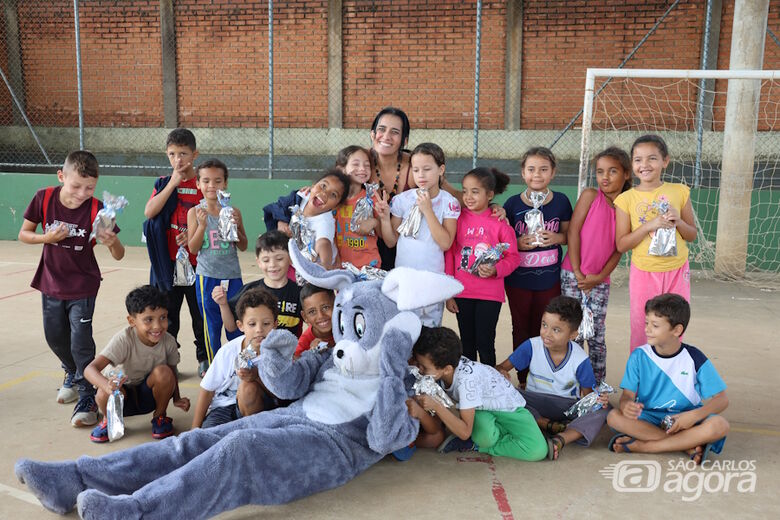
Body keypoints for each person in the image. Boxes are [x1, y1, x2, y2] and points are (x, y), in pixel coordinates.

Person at [18, 150, 125, 427]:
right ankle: (71, 372)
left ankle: (87, 396)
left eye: (89, 187)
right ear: (61, 176)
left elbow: (119, 254)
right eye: (76, 185)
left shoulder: (98, 210)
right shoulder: (44, 198)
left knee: (80, 341)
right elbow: (24, 234)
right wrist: (47, 237)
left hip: (83, 285)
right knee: (54, 337)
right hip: (50, 282)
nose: (82, 193)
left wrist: (110, 241)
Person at [606, 294, 729, 464]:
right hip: (649, 419)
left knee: (720, 425)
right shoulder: (639, 356)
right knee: (613, 417)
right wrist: (627, 405)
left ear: (677, 330)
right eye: (646, 323)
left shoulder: (694, 357)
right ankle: (686, 445)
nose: (647, 329)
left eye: (655, 325)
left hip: (686, 419)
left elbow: (722, 400)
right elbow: (627, 395)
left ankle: (644, 446)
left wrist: (693, 416)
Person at [496, 296, 608, 460]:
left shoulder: (580, 358)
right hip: (532, 401)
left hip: (566, 407)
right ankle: (545, 424)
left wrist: (598, 400)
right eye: (544, 325)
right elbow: (501, 367)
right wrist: (501, 373)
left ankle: (561, 438)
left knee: (604, 409)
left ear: (573, 334)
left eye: (556, 330)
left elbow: (588, 395)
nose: (547, 333)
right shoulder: (532, 346)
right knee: (501, 392)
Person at [413, 327, 547, 461]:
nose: (419, 369)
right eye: (418, 364)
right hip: (481, 410)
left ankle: (476, 445)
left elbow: (465, 432)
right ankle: (486, 439)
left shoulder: (466, 383)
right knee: (485, 437)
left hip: (510, 408)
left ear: (447, 369)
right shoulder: (445, 364)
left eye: (424, 367)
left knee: (538, 450)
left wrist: (436, 406)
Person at [615, 135, 698, 351]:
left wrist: (678, 221)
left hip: (677, 271)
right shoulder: (626, 199)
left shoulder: (679, 191)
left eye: (652, 158)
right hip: (644, 272)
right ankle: (640, 378)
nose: (644, 165)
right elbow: (622, 245)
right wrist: (648, 226)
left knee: (675, 326)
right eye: (638, 159)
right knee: (643, 328)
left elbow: (691, 234)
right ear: (632, 164)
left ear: (665, 161)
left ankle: (670, 373)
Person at [560, 147, 632, 383]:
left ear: (627, 174)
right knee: (574, 334)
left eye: (612, 171)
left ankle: (597, 388)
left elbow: (619, 249)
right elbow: (574, 232)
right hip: (572, 275)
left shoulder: (627, 207)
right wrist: (579, 271)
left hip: (600, 281)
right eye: (600, 171)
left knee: (596, 337)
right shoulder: (591, 195)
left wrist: (599, 277)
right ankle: (571, 386)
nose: (605, 177)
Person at [84, 286, 189, 442]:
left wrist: (177, 398)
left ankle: (160, 417)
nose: (157, 326)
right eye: (149, 319)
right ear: (132, 321)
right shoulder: (124, 339)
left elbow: (172, 372)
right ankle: (109, 420)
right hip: (120, 398)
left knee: (164, 372)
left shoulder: (168, 341)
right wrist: (108, 386)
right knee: (103, 390)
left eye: (163, 317)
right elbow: (89, 369)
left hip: (148, 397)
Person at [504, 146, 572, 385]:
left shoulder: (561, 201)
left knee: (547, 327)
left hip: (549, 280)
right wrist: (517, 242)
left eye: (544, 169)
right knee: (521, 327)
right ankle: (523, 378)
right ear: (523, 173)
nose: (537, 175)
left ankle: (544, 377)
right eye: (531, 169)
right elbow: (503, 240)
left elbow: (568, 235)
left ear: (553, 173)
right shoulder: (512, 204)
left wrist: (557, 238)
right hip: (518, 280)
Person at [143, 128, 208, 377]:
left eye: (183, 153)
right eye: (172, 154)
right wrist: (172, 183)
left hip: (197, 262)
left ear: (195, 154)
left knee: (199, 314)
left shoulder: (203, 183)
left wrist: (192, 235)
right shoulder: (163, 183)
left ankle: (204, 358)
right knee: (167, 316)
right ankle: (171, 360)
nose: (178, 160)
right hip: (168, 264)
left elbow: (212, 219)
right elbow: (150, 212)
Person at [376, 142, 460, 327]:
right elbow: (391, 242)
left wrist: (428, 211)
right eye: (416, 170)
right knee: (405, 330)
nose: (421, 175)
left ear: (441, 170)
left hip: (432, 280)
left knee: (429, 334)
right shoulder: (402, 200)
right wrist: (383, 219)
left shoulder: (449, 202)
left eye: (427, 169)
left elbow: (445, 243)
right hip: (405, 279)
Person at [445, 167, 521, 367]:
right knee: (467, 344)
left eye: (475, 191)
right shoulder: (457, 219)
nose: (468, 197)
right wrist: (449, 291)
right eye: (465, 191)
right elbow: (451, 254)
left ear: (490, 195)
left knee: (485, 343)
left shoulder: (500, 223)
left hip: (489, 295)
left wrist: (497, 269)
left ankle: (489, 386)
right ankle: (470, 387)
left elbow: (513, 257)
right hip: (462, 292)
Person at [192, 288, 285, 429]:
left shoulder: (279, 352)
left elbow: (282, 395)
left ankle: (250, 435)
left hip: (259, 407)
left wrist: (256, 376)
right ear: (240, 326)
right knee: (205, 440)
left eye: (266, 324)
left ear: (275, 324)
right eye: (252, 324)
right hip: (223, 407)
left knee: (248, 389)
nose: (259, 330)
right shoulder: (229, 351)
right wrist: (194, 428)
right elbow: (207, 389)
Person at [187, 159, 248, 365]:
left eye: (217, 181)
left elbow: (243, 245)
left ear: (225, 183)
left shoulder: (234, 212)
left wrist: (237, 227)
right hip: (208, 277)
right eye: (206, 181)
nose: (212, 186)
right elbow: (193, 249)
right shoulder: (195, 213)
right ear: (198, 184)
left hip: (233, 277)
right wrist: (202, 226)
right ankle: (214, 369)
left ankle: (237, 366)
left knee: (237, 323)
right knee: (211, 327)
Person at [216, 231, 302, 338]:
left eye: (279, 259)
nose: (272, 265)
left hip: (289, 352)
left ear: (290, 258)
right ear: (258, 262)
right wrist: (223, 304)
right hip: (257, 353)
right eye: (266, 260)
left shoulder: (299, 293)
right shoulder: (249, 291)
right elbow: (231, 327)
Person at [262, 169, 351, 269]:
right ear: (313, 186)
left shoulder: (325, 221)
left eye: (333, 195)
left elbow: (323, 243)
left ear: (336, 206)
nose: (324, 194)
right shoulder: (300, 197)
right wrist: (281, 221)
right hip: (295, 261)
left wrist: (325, 266)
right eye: (323, 186)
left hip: (314, 266)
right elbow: (278, 206)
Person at [333, 145, 382, 269]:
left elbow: (384, 236)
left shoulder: (372, 198)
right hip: (338, 268)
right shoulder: (332, 198)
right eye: (356, 164)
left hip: (367, 267)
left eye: (367, 165)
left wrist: (375, 222)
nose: (362, 169)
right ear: (341, 169)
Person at [294, 284, 336, 359]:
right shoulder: (304, 343)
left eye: (325, 307)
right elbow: (296, 366)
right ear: (305, 317)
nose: (321, 316)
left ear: (336, 304)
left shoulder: (346, 328)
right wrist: (311, 353)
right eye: (312, 312)